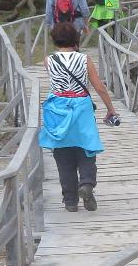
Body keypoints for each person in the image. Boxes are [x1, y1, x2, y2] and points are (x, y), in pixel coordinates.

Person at [41, 20, 119, 213]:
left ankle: (70, 201)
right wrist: (111, 109)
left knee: (62, 153)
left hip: (58, 108)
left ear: (55, 39)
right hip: (81, 107)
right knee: (86, 149)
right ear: (76, 39)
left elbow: (58, 82)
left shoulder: (48, 60)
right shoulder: (84, 60)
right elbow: (99, 87)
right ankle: (86, 184)